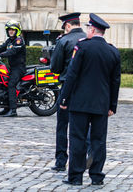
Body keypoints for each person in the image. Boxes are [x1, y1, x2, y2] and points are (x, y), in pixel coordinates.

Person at [59, 13, 121, 186]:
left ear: (93, 29)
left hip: (80, 103)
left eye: (88, 28)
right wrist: (112, 106)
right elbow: (115, 81)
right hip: (101, 104)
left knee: (78, 140)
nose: (86, 30)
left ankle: (76, 177)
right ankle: (96, 176)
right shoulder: (112, 51)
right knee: (99, 141)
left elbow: (72, 75)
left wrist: (64, 98)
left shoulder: (82, 48)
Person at [50, 12, 86, 172]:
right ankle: (84, 158)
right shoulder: (89, 39)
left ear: (68, 26)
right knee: (85, 125)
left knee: (63, 126)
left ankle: (60, 161)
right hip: (85, 88)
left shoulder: (64, 41)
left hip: (67, 88)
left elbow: (55, 68)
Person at [0, 20, 26, 117]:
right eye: (9, 30)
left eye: (13, 29)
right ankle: (6, 107)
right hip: (12, 67)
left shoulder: (19, 40)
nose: (11, 31)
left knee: (11, 84)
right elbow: (1, 47)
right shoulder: (9, 41)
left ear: (17, 30)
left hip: (19, 68)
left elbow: (11, 52)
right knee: (2, 83)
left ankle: (13, 110)